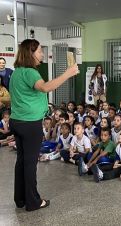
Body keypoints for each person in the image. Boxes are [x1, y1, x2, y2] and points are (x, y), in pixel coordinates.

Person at [9, 39, 78, 211]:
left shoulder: (16, 72)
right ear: (30, 53)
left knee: (22, 161)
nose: (41, 54)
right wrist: (67, 74)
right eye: (39, 51)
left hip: (17, 121)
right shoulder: (31, 73)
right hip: (29, 124)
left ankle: (20, 199)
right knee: (31, 163)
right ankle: (33, 201)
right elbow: (45, 88)